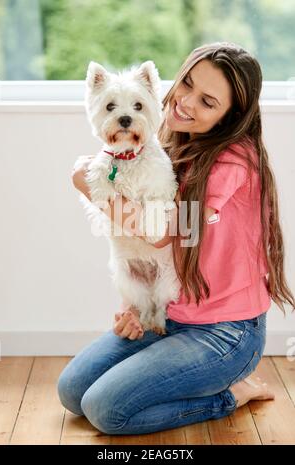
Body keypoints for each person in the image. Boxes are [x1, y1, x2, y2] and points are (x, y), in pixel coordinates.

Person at [57, 42, 295, 436]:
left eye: (207, 101)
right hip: (170, 310)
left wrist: (90, 187)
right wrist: (134, 305)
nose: (185, 102)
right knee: (71, 392)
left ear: (229, 115)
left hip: (225, 331)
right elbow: (138, 248)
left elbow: (162, 232)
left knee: (105, 410)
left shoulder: (235, 160)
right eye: (186, 83)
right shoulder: (171, 140)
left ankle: (233, 391)